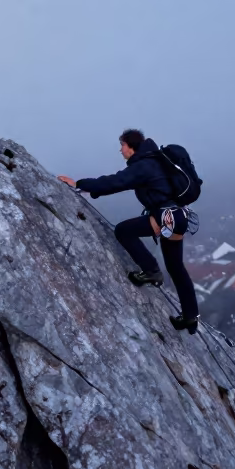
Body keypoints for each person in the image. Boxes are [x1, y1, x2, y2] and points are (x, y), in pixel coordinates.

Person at [58, 129, 200, 333]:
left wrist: (79, 184)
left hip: (164, 216)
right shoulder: (155, 160)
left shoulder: (143, 165)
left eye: (122, 145)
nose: (120, 150)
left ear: (131, 146)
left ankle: (151, 271)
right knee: (176, 267)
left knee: (124, 230)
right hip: (179, 217)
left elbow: (115, 182)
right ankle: (189, 317)